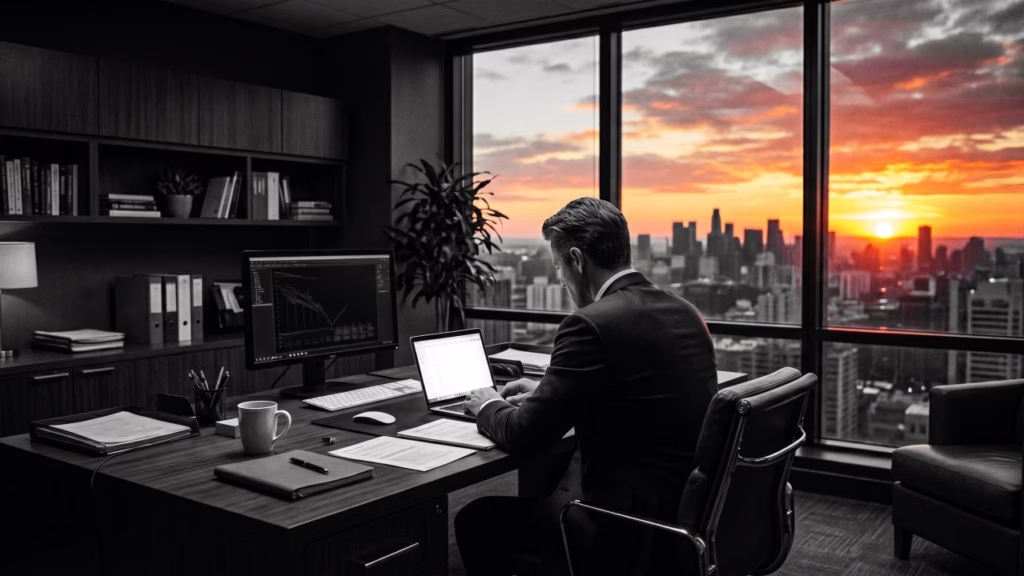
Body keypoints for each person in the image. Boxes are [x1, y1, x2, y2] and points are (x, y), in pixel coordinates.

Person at [457, 197, 719, 576]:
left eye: (559, 267)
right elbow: (635, 394)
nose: (562, 279)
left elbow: (522, 434)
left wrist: (486, 403)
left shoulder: (590, 323)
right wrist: (547, 392)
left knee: (476, 518)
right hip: (682, 514)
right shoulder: (686, 312)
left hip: (621, 526)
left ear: (577, 261)